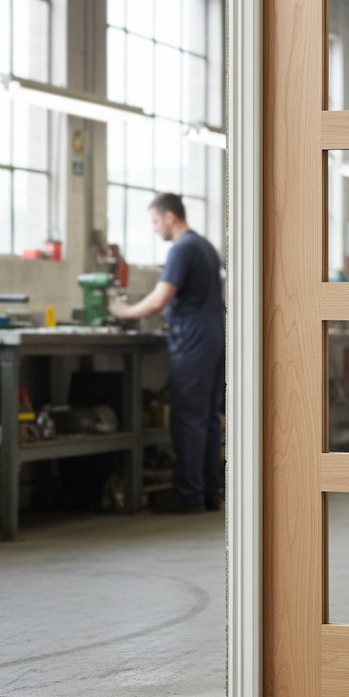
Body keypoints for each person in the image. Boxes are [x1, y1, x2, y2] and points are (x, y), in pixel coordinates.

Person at [111, 193, 225, 514]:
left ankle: (188, 497)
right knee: (208, 419)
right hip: (214, 340)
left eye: (155, 221)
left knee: (188, 419)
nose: (154, 228)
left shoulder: (182, 249)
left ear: (170, 217)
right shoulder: (206, 247)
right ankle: (209, 494)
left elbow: (160, 300)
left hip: (192, 344)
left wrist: (123, 311)